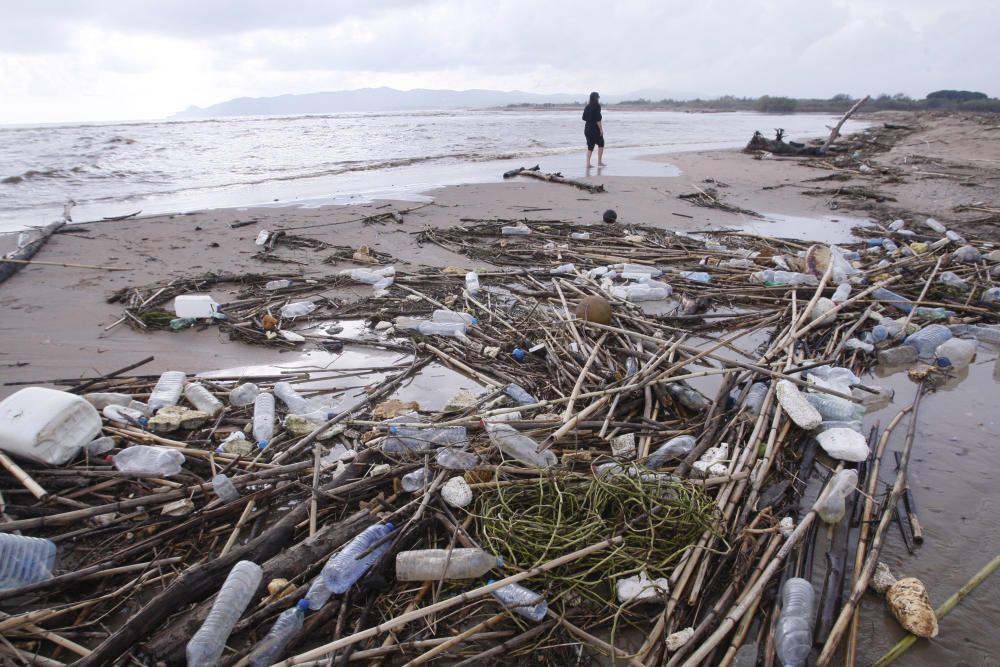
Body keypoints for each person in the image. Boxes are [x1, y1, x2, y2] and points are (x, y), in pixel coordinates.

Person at [582, 91, 605, 167]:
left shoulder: (587, 106)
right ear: (596, 98)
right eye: (598, 97)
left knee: (590, 146)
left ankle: (588, 163)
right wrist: (601, 130)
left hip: (587, 129)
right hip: (594, 129)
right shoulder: (597, 106)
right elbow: (598, 119)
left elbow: (583, 118)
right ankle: (599, 162)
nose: (599, 98)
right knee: (601, 143)